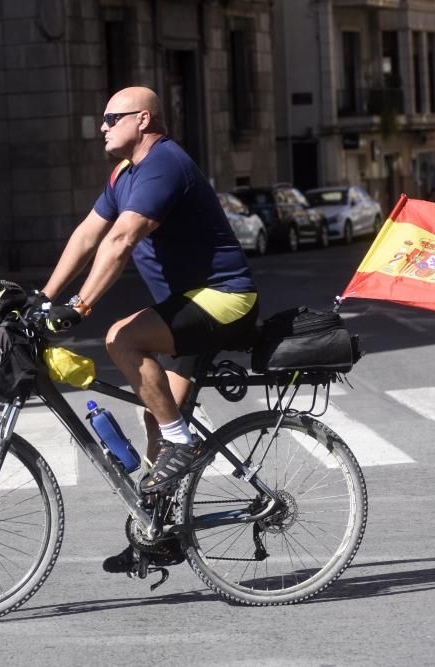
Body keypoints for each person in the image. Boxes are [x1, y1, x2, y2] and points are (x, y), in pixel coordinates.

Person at [40, 86, 258, 572]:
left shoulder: (163, 163)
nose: (101, 126)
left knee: (122, 337)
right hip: (188, 304)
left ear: (142, 119)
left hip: (224, 299)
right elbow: (87, 235)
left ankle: (184, 443)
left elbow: (121, 239)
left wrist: (80, 306)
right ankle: (159, 534)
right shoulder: (124, 174)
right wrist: (44, 297)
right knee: (155, 418)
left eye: (111, 118)